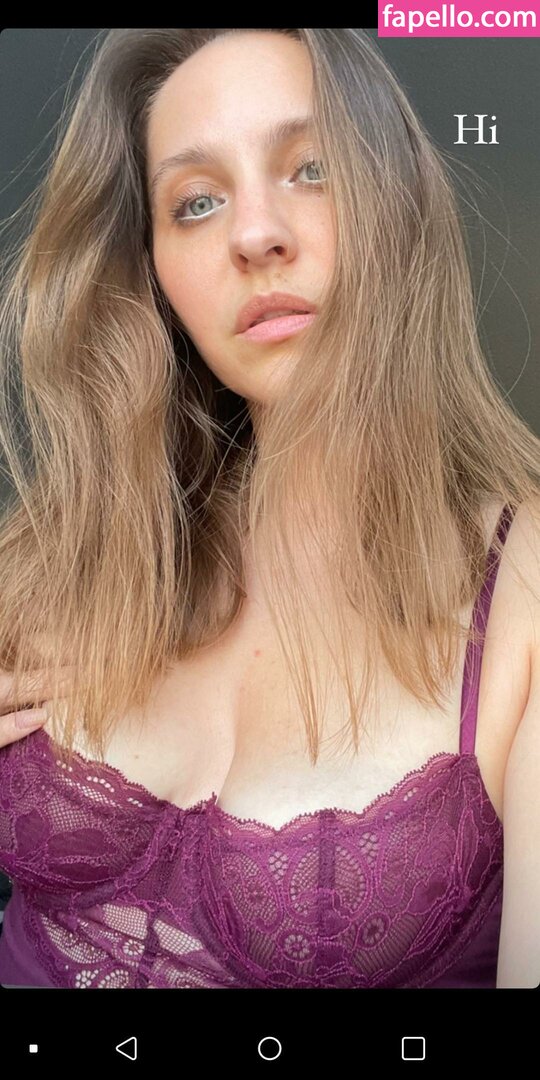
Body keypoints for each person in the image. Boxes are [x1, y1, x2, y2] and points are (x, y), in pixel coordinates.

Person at [0, 28, 539, 989]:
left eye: (312, 169)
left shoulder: (526, 590)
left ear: (397, 204)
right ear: (153, 273)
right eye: (196, 202)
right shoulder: (67, 552)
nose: (255, 235)